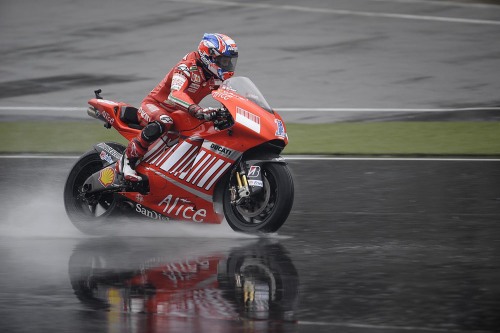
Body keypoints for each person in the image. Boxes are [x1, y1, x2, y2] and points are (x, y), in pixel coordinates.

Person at [117, 33, 238, 182]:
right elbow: (175, 95)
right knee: (165, 120)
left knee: (211, 127)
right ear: (209, 57)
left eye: (229, 61)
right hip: (155, 105)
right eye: (224, 61)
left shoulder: (217, 76)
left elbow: (231, 96)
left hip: (182, 112)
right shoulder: (186, 67)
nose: (227, 66)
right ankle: (128, 160)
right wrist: (197, 110)